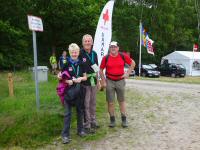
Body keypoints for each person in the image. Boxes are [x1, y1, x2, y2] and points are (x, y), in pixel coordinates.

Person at [99, 41, 135, 128]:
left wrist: (127, 73)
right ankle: (112, 120)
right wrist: (103, 81)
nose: (113, 48)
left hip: (120, 80)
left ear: (118, 48)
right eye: (111, 47)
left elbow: (133, 63)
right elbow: (100, 70)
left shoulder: (122, 56)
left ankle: (124, 119)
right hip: (109, 81)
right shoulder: (106, 58)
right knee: (110, 102)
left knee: (121, 101)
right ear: (109, 48)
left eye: (114, 47)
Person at [58, 43, 87, 144]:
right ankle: (65, 135)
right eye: (72, 52)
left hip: (79, 90)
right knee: (67, 114)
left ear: (78, 52)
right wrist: (67, 81)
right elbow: (61, 78)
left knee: (80, 111)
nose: (74, 54)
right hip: (68, 92)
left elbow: (85, 77)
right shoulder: (66, 64)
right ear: (69, 53)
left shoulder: (81, 63)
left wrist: (80, 79)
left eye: (76, 52)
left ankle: (81, 130)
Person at [79, 34, 100, 133]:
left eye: (89, 41)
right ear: (83, 43)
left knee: (93, 102)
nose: (87, 43)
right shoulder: (80, 53)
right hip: (84, 82)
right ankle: (86, 124)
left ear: (92, 42)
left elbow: (96, 68)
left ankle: (93, 120)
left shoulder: (94, 54)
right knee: (86, 103)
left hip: (93, 82)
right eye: (85, 41)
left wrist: (98, 81)